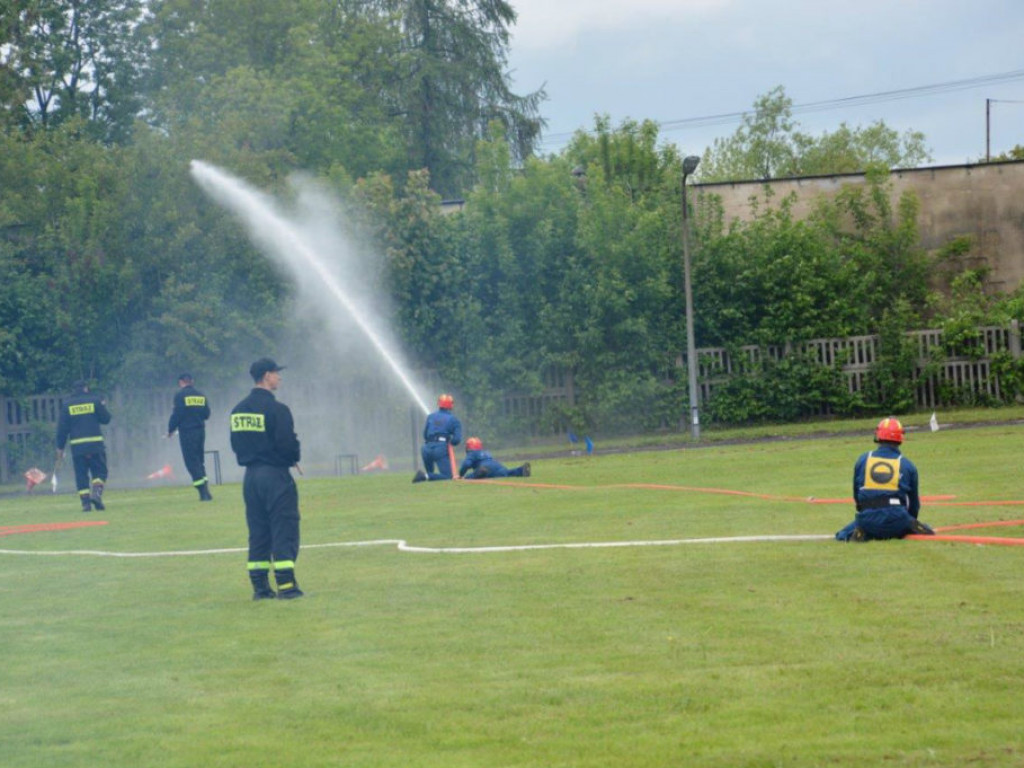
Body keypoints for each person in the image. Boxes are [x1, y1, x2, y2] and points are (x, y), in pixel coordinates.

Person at [229, 358, 303, 600]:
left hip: (251, 478)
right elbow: (287, 445)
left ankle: (260, 587)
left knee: (258, 531)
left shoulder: (238, 410)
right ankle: (287, 586)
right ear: (266, 376)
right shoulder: (278, 410)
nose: (279, 377)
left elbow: (236, 445)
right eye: (276, 373)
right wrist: (293, 456)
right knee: (284, 527)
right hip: (275, 476)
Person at [835, 417, 935, 542]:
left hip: (867, 518)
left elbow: (857, 495)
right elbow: (914, 503)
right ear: (900, 438)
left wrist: (865, 513)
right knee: (924, 528)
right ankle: (905, 527)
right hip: (898, 519)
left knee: (841, 534)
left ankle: (864, 531)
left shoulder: (863, 459)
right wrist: (909, 519)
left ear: (878, 435)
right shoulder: (907, 465)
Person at [55, 380, 112, 512]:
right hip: (95, 445)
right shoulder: (95, 401)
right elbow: (106, 419)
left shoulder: (67, 405)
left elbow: (62, 430)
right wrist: (103, 406)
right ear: (86, 388)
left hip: (78, 448)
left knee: (81, 475)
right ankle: (96, 494)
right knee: (100, 472)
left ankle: (85, 504)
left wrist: (60, 448)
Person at [167, 373, 213, 501]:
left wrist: (171, 429)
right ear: (192, 381)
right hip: (200, 431)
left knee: (191, 461)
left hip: (187, 432)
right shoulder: (201, 395)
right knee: (199, 461)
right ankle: (206, 490)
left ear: (181, 382)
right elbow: (207, 414)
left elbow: (177, 414)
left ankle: (202, 492)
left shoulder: (180, 396)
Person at [413, 393, 462, 482]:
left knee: (430, 475)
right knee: (448, 476)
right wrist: (450, 442)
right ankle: (424, 476)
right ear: (451, 405)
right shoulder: (453, 420)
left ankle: (426, 476)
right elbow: (457, 439)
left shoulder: (430, 417)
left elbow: (425, 435)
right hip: (440, 448)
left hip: (426, 448)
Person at [458, 437, 531, 479]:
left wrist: (461, 475)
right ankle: (521, 470)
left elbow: (466, 464)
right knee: (506, 473)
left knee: (473, 475)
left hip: (484, 467)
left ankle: (480, 472)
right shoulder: (486, 452)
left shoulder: (472, 453)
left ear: (468, 447)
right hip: (497, 465)